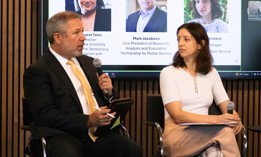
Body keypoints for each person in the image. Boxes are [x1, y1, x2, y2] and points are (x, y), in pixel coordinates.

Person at [23, 11, 142, 157]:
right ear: (58, 37)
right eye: (77, 33)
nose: (84, 38)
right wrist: (87, 120)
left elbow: (105, 101)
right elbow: (45, 116)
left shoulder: (89, 63)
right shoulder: (38, 71)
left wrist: (109, 92)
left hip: (96, 134)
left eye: (83, 32)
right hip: (61, 135)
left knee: (132, 150)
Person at [160, 22, 243, 157]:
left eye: (186, 39)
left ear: (200, 44)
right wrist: (217, 120)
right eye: (178, 39)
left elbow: (225, 103)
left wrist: (234, 116)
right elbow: (177, 116)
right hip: (176, 136)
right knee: (225, 132)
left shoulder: (211, 72)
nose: (180, 43)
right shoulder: (168, 72)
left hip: (206, 136)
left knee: (215, 152)